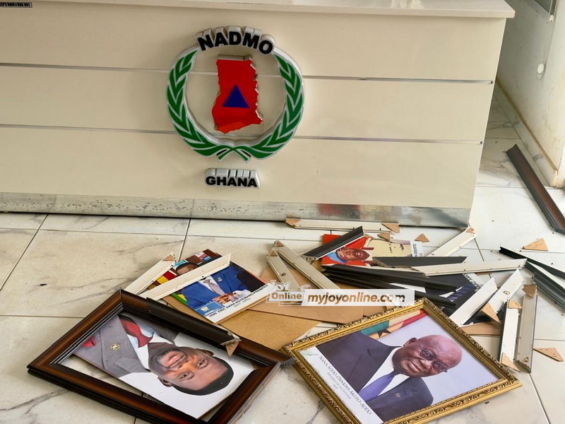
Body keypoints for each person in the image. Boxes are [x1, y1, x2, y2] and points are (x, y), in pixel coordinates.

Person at [317, 331, 463, 421]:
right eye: (427, 354)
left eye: (439, 366)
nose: (426, 364)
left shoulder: (421, 400)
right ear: (410, 342)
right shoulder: (347, 341)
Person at [74, 314, 234, 395]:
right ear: (205, 352)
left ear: (165, 381)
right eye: (200, 363)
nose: (184, 364)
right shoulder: (177, 320)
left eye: (185, 375)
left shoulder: (104, 368)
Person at [181, 266, 251, 310]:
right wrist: (216, 304)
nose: (191, 273)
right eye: (185, 274)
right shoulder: (188, 291)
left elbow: (252, 282)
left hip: (249, 300)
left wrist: (236, 294)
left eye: (191, 270)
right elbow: (197, 309)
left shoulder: (227, 270)